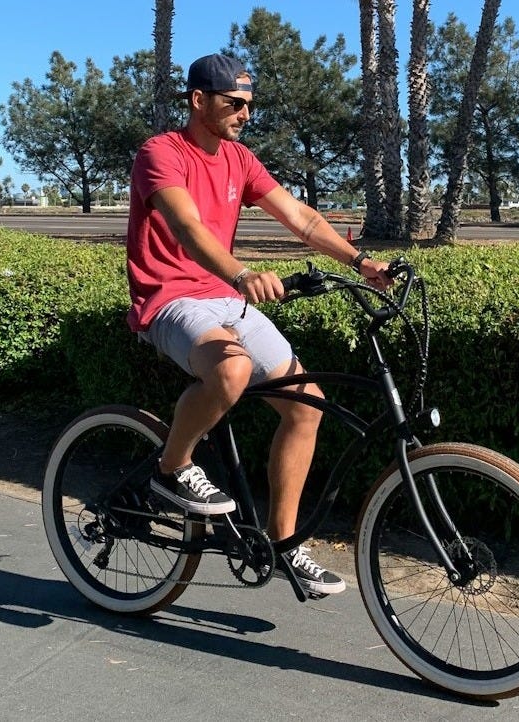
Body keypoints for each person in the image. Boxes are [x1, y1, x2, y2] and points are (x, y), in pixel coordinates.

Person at [125, 53, 391, 595]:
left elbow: (302, 218)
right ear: (199, 100)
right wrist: (242, 272)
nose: (246, 113)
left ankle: (284, 544)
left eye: (250, 103)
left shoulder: (240, 160)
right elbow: (187, 229)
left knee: (306, 405)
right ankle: (170, 469)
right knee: (230, 371)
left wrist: (361, 264)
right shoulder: (160, 153)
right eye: (235, 102)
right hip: (170, 297)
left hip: (223, 298)